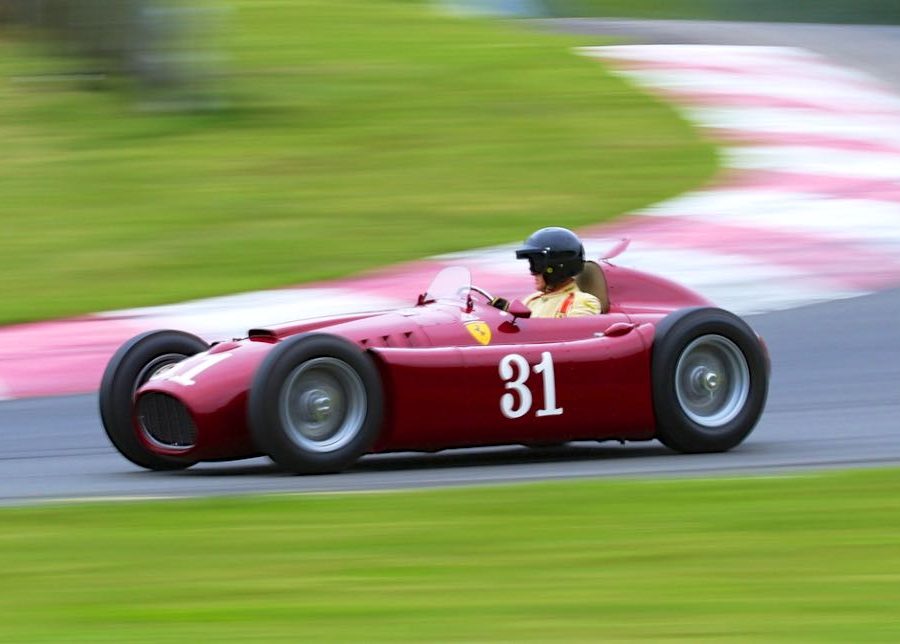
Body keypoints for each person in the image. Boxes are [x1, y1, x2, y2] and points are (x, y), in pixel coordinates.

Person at [506, 227, 601, 318]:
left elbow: (575, 331)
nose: (532, 273)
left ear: (556, 267)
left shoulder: (583, 302)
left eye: (536, 266)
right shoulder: (530, 301)